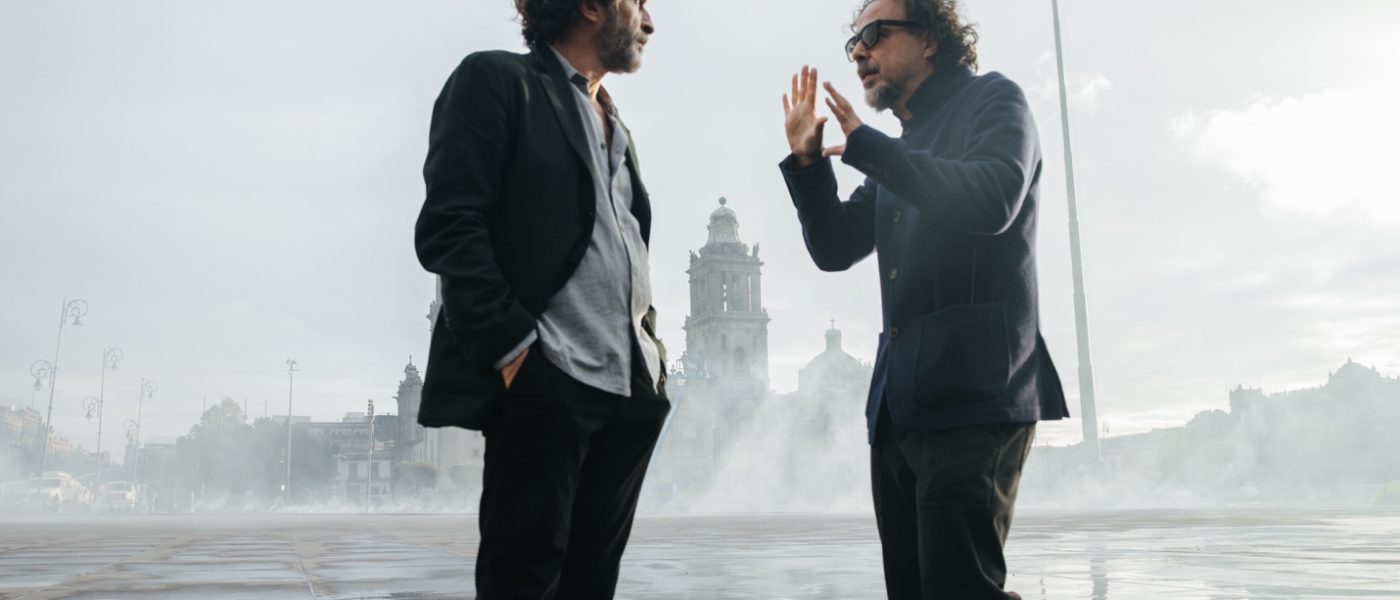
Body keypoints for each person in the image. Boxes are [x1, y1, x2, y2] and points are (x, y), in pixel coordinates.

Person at [778, 0, 1070, 597]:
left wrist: (870, 149)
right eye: (853, 43)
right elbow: (835, 247)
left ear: (932, 39)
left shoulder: (994, 101)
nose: (859, 53)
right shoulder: (898, 150)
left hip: (974, 394)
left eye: (874, 34)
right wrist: (808, 166)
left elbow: (992, 200)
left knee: (959, 588)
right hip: (899, 407)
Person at [414, 1, 668, 598]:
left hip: (628, 394)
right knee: (523, 582)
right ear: (590, 7)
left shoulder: (617, 124)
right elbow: (451, 226)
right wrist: (515, 353)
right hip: (547, 381)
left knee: (591, 586)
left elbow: (626, 246)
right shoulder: (498, 80)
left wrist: (653, 361)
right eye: (638, 2)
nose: (650, 22)